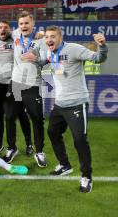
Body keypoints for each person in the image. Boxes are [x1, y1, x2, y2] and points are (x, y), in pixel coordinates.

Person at [44, 26, 107, 193]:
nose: (49, 39)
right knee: (52, 132)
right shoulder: (49, 52)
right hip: (59, 104)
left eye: (53, 36)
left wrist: (102, 45)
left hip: (77, 103)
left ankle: (86, 176)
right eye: (47, 37)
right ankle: (65, 165)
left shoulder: (73, 48)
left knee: (80, 140)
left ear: (60, 37)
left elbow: (98, 58)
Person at [0, 21, 33, 161]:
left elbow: (29, 34)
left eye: (6, 27)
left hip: (14, 83)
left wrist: (39, 34)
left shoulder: (16, 38)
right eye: (0, 27)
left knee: (18, 115)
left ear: (10, 30)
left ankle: (27, 143)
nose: (3, 29)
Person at [11, 11, 47, 168]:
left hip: (33, 84)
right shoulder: (15, 35)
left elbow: (47, 59)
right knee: (12, 116)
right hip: (16, 83)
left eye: (26, 23)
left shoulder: (41, 40)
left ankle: (39, 152)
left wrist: (36, 59)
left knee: (37, 118)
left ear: (33, 24)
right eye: (21, 24)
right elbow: (1, 33)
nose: (24, 26)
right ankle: (15, 147)